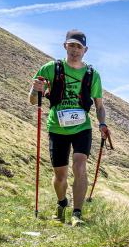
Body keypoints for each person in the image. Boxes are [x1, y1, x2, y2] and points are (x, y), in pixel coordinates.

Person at [29, 30, 110, 226]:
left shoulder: (92, 75)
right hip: (57, 128)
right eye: (71, 45)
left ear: (85, 50)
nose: (75, 50)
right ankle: (62, 203)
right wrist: (36, 90)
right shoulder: (50, 69)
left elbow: (99, 105)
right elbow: (32, 100)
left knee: (80, 166)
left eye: (79, 46)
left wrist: (102, 124)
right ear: (65, 46)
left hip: (82, 128)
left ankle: (77, 214)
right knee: (60, 176)